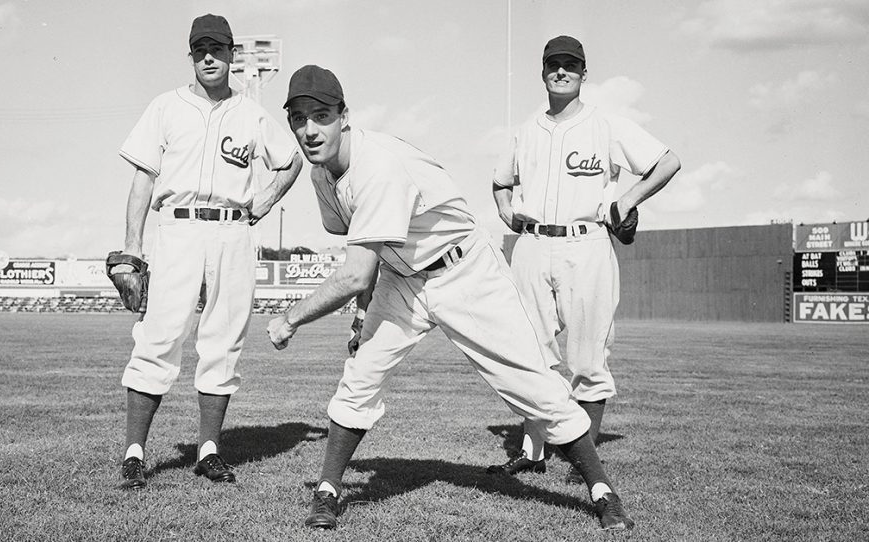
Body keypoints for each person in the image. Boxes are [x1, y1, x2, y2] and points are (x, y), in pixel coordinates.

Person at [267, 64, 634, 531]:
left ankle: (603, 491)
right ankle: (328, 490)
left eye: (320, 115)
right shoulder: (323, 172)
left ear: (344, 116)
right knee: (360, 376)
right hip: (404, 280)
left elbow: (356, 273)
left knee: (532, 385)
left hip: (464, 271)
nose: (309, 129)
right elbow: (357, 239)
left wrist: (290, 319)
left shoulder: (376, 167)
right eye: (298, 118)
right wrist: (364, 318)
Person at [113, 13, 301, 490]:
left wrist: (260, 205)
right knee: (159, 336)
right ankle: (135, 452)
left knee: (223, 339)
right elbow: (143, 180)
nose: (209, 57)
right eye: (201, 50)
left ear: (232, 54)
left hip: (233, 231)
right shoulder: (165, 107)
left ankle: (209, 450)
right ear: (191, 55)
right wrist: (132, 251)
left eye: (217, 49)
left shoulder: (252, 113)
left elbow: (291, 160)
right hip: (176, 228)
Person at [489, 36, 680, 481]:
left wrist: (627, 200)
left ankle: (584, 460)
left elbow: (666, 161)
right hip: (533, 245)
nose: (562, 71)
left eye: (570, 65)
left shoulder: (607, 125)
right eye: (554, 64)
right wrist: (507, 211)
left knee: (588, 355)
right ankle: (533, 452)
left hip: (586, 241)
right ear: (542, 72)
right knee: (531, 354)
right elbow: (500, 182)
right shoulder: (526, 129)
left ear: (584, 73)